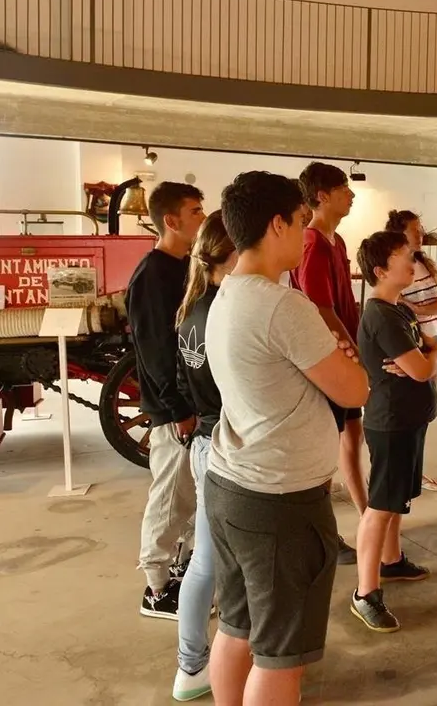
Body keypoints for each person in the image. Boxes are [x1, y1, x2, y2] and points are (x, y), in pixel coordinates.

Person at [204, 171, 368, 704]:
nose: (306, 233)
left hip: (232, 484)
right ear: (277, 223)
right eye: (300, 222)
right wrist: (344, 359)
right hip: (280, 500)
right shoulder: (283, 306)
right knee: (281, 658)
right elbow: (354, 390)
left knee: (238, 628)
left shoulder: (228, 292)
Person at [352, 230, 437, 633]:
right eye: (404, 256)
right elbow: (424, 366)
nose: (413, 261)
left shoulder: (399, 308)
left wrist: (428, 355)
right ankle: (365, 593)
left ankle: (391, 561)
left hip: (408, 418)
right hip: (389, 421)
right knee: (381, 505)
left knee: (396, 501)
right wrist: (431, 356)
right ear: (380, 270)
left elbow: (430, 349)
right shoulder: (380, 314)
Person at [125, 181, 205, 620]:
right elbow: (156, 352)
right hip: (172, 410)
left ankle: (177, 571)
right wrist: (179, 409)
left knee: (187, 496)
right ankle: (155, 588)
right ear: (171, 220)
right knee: (170, 497)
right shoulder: (153, 275)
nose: (201, 218)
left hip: (189, 406)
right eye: (195, 211)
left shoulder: (182, 267)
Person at [171, 211, 236, 702]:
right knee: (213, 567)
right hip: (222, 447)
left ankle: (193, 663)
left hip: (202, 443)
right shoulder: (223, 310)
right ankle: (195, 666)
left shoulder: (191, 308)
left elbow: (179, 382)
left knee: (205, 565)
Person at [292, 162, 366, 565]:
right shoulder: (313, 243)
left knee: (351, 437)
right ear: (322, 196)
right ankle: (326, 533)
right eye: (343, 189)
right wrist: (351, 349)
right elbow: (319, 306)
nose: (351, 195)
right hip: (329, 357)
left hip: (344, 351)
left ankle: (365, 512)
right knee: (328, 445)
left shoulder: (335, 242)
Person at [385, 209, 437, 493]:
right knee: (405, 411)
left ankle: (416, 470)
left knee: (425, 410)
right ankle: (394, 471)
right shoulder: (395, 266)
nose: (421, 234)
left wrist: (419, 310)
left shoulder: (425, 262)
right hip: (412, 344)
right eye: (416, 229)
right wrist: (420, 315)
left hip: (432, 342)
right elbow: (394, 304)